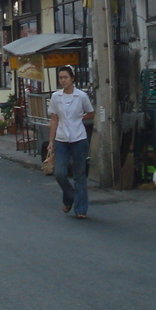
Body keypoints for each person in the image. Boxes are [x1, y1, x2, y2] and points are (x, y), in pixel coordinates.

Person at [46, 65, 93, 219]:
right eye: (60, 78)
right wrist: (51, 141)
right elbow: (54, 119)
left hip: (79, 138)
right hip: (61, 140)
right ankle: (69, 197)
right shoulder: (55, 97)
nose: (63, 80)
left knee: (80, 175)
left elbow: (90, 112)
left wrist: (80, 118)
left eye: (66, 77)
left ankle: (81, 209)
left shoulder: (81, 96)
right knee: (60, 173)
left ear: (73, 78)